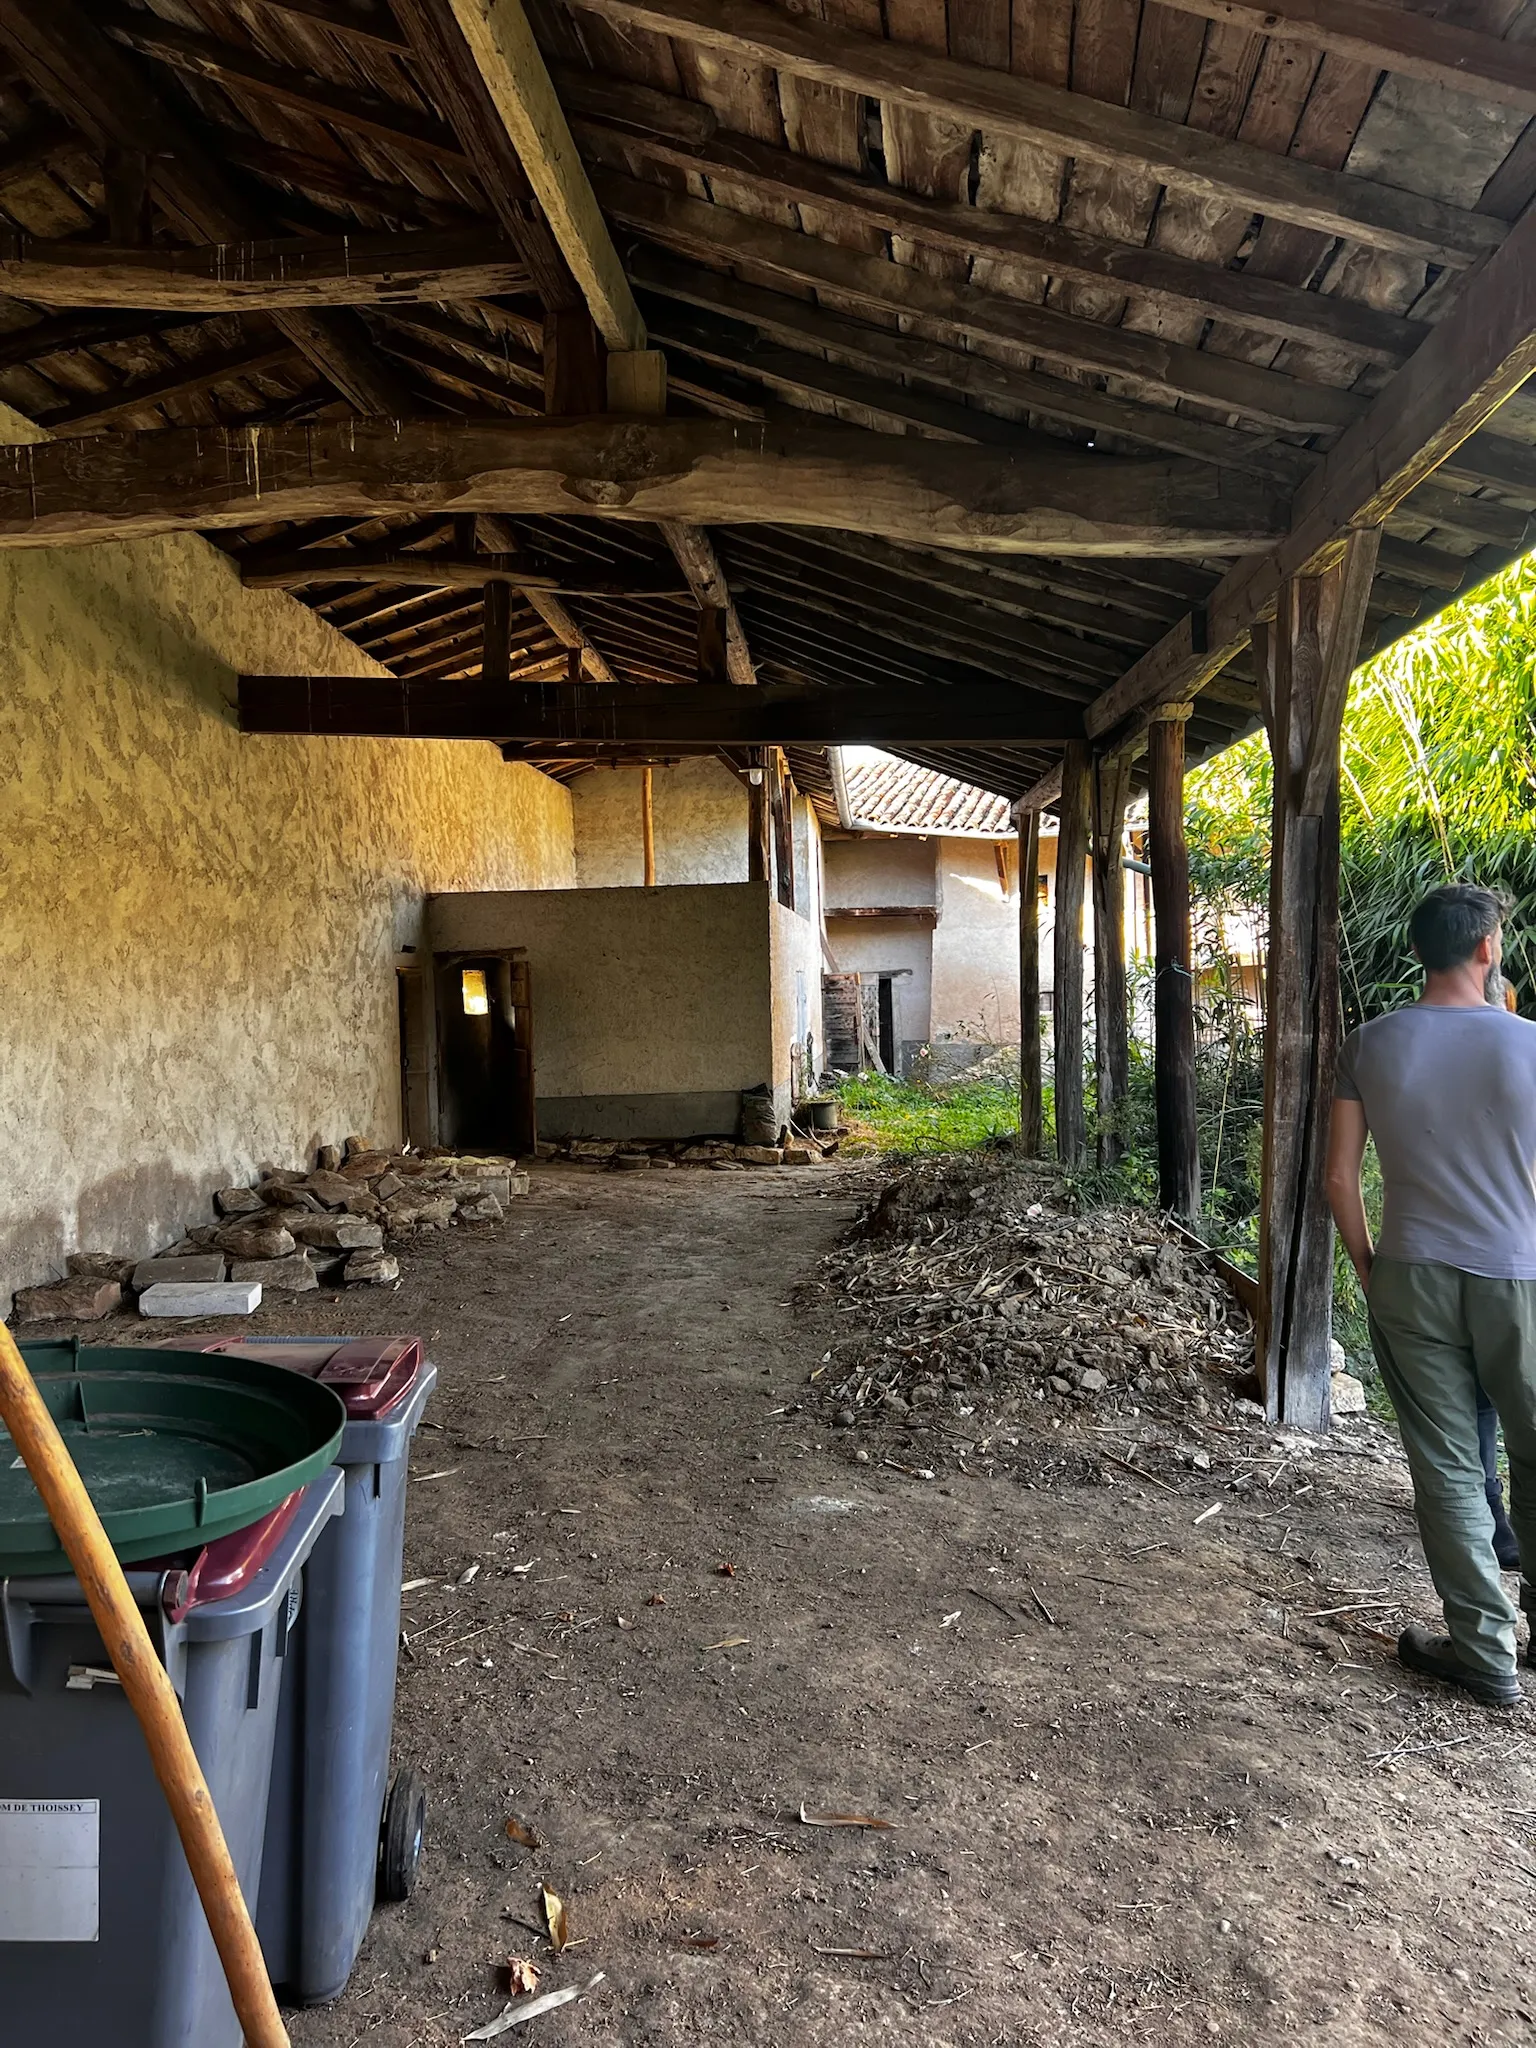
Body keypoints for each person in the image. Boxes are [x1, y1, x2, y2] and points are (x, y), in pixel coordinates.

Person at [1326, 882, 1536, 1708]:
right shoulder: (1530, 1045)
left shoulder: (1370, 1044)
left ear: (1418, 952)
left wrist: (1371, 1265)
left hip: (1411, 1272)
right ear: (1487, 948)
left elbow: (1341, 1177)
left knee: (1449, 1468)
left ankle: (1483, 1653)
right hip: (1521, 1274)